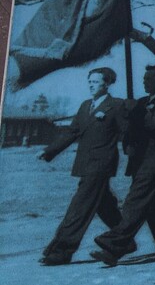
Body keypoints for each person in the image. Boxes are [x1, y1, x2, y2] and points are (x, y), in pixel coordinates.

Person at [91, 64, 155, 266]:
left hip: (153, 161)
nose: (144, 83)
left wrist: (136, 110)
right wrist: (127, 140)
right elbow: (129, 128)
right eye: (143, 80)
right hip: (138, 161)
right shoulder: (140, 102)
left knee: (135, 203)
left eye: (148, 80)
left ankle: (114, 246)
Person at [38, 67, 125, 265]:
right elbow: (72, 132)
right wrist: (49, 150)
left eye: (96, 81)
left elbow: (128, 131)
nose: (91, 85)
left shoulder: (116, 105)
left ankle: (62, 251)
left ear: (108, 83)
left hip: (101, 163)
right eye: (90, 81)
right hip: (85, 163)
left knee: (80, 206)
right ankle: (124, 239)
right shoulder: (86, 105)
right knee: (104, 206)